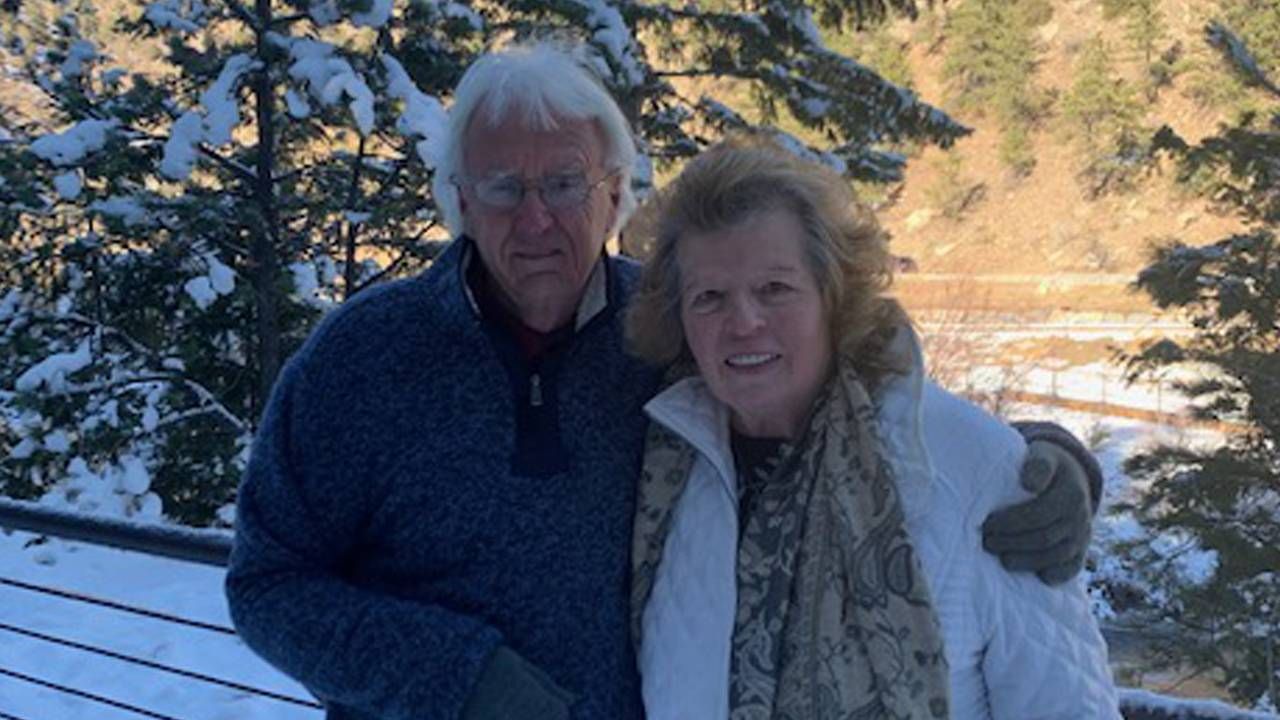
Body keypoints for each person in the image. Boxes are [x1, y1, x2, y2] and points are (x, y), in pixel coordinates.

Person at [225, 42, 1104, 720]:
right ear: (458, 197)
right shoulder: (361, 361)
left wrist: (1037, 459)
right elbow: (267, 585)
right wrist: (455, 674)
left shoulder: (672, 321)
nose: (536, 218)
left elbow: (842, 373)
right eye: (503, 186)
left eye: (565, 183)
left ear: (613, 195)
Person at [625, 135, 1121, 719]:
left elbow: (1067, 708)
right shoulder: (666, 470)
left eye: (775, 289)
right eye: (709, 297)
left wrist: (1050, 456)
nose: (744, 322)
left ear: (833, 296)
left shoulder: (974, 470)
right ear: (678, 318)